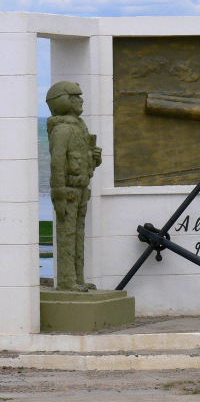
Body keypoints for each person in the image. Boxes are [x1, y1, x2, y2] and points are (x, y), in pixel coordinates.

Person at [46, 81, 102, 292]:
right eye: (75, 97)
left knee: (78, 235)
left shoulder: (79, 127)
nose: (80, 100)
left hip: (80, 190)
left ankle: (77, 278)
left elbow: (86, 163)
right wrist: (59, 193)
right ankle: (67, 280)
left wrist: (95, 158)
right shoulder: (62, 130)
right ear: (63, 101)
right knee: (67, 235)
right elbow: (57, 163)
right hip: (67, 191)